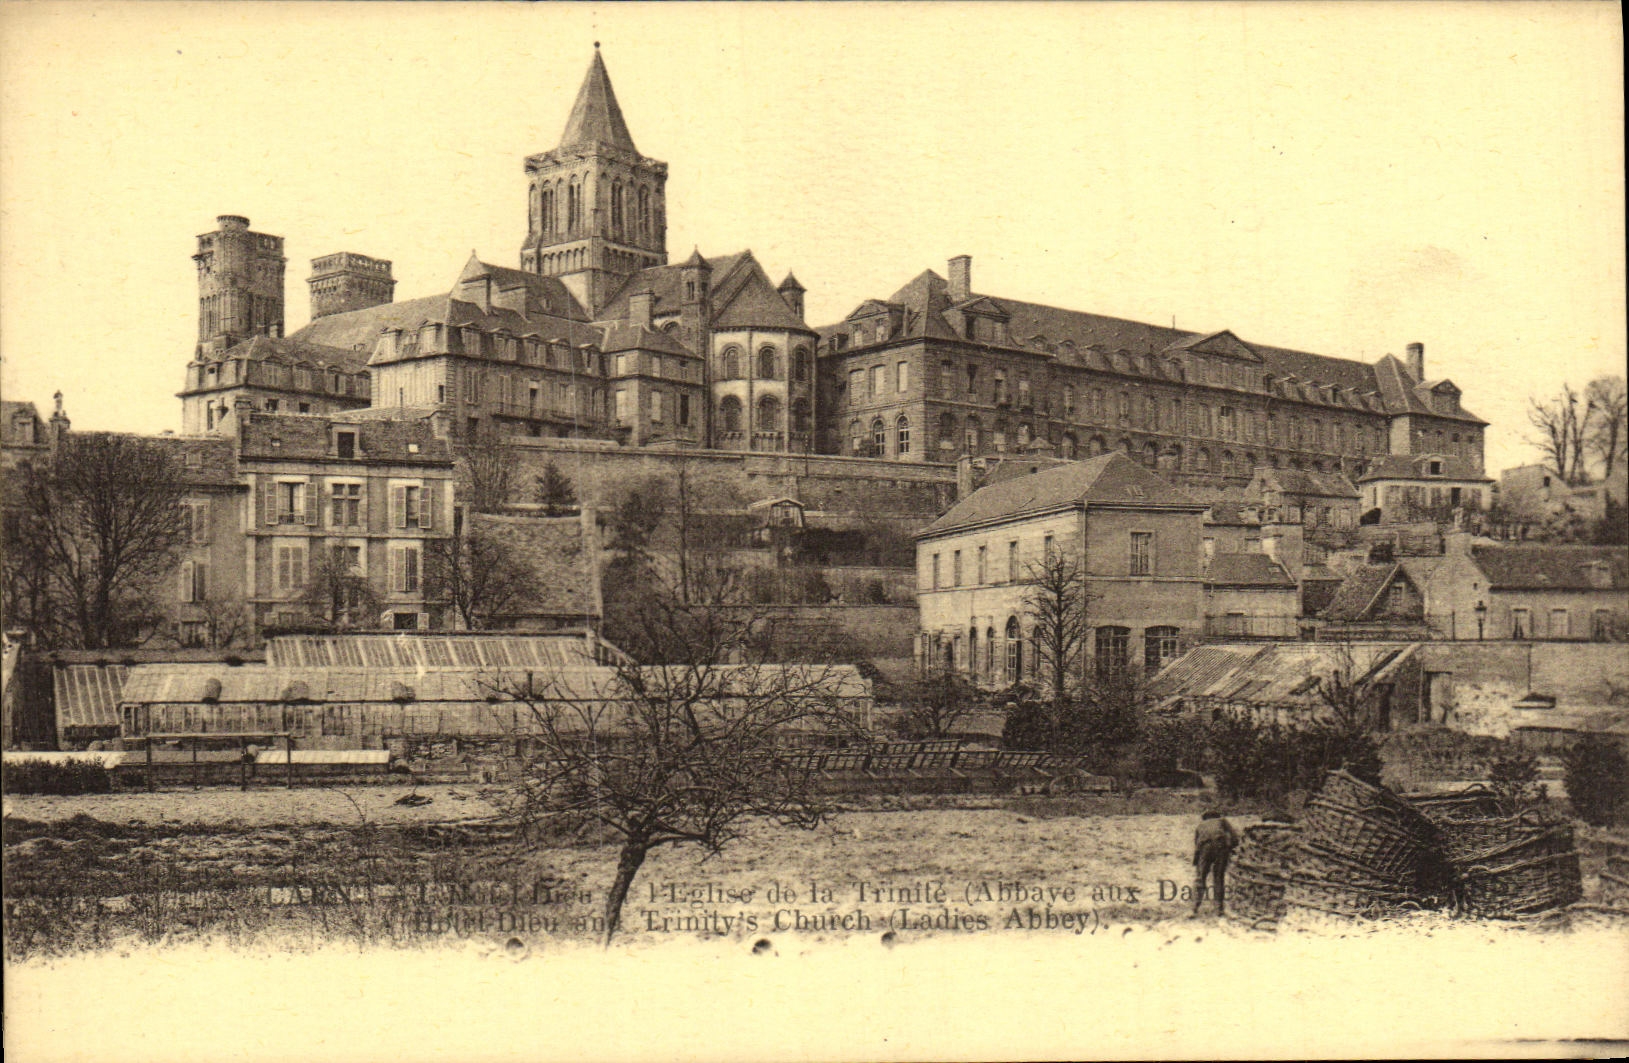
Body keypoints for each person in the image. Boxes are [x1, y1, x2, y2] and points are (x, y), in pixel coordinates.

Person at [1192, 809, 1239, 916]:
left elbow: (1197, 845)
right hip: (1220, 847)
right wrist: (1231, 848)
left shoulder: (1200, 825)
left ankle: (1194, 908)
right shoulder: (1222, 821)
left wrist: (1197, 861)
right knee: (1218, 878)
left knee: (1200, 878)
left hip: (1205, 848)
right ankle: (1219, 909)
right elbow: (1234, 837)